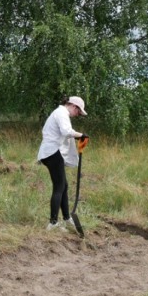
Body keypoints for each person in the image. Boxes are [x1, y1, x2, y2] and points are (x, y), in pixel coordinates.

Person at [37, 96, 88, 231]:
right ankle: (53, 223)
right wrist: (81, 135)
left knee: (63, 185)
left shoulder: (60, 113)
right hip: (51, 153)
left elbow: (64, 134)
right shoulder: (61, 113)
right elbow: (66, 131)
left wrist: (79, 137)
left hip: (51, 153)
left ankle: (66, 218)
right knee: (59, 187)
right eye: (78, 112)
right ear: (73, 106)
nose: (77, 115)